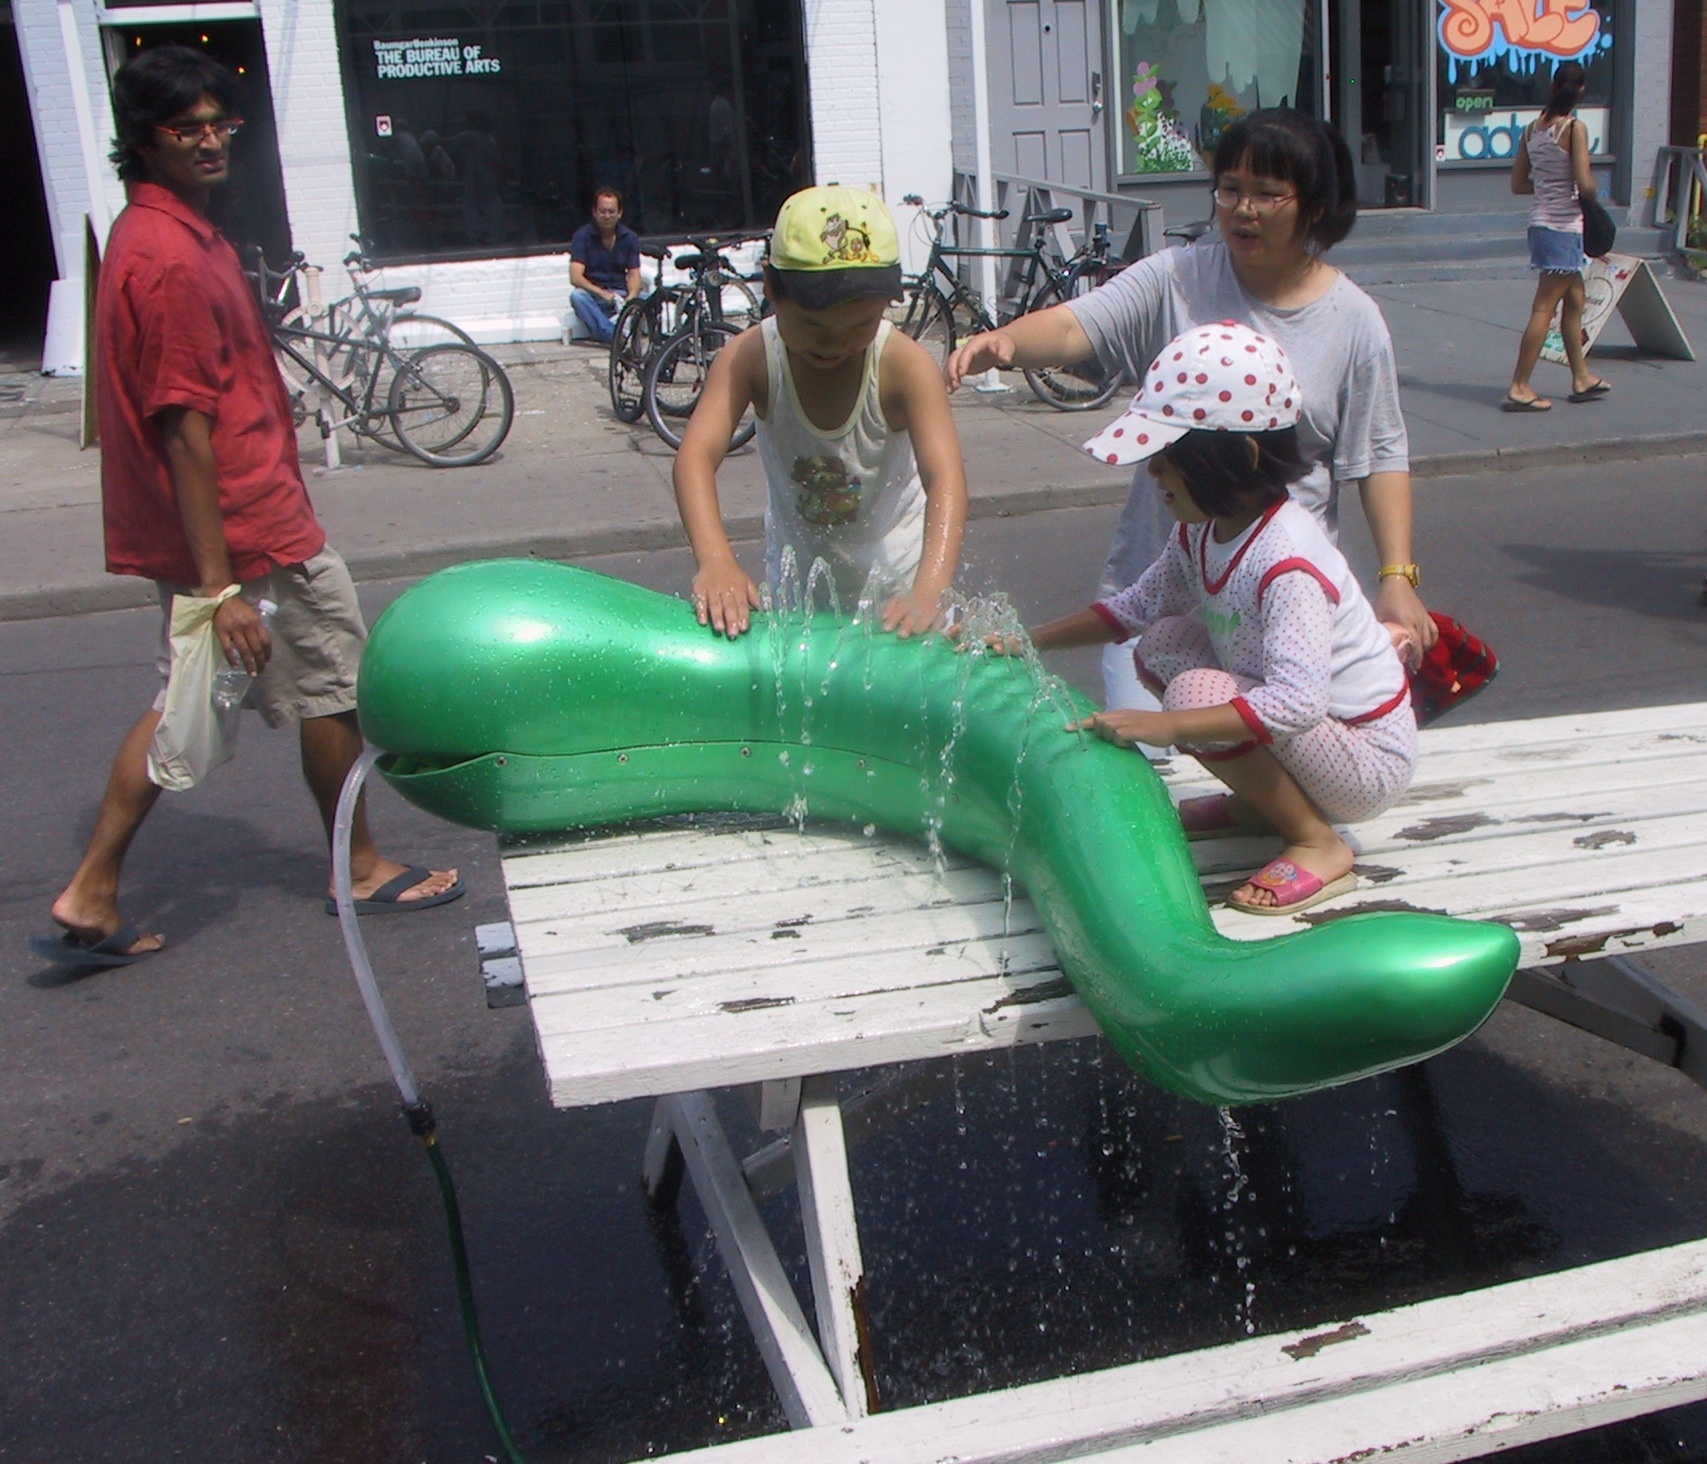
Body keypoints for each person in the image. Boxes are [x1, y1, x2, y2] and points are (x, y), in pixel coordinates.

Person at [30, 46, 461, 971]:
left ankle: (93, 888)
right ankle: (358, 866)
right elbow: (183, 428)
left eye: (219, 122)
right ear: (145, 139)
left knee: (187, 702)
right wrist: (220, 587)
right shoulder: (168, 258)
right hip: (250, 533)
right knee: (330, 687)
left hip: (232, 529)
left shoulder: (167, 235)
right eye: (186, 128)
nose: (211, 141)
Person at [947, 108, 1434, 714]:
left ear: (1314, 206)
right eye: (1229, 189)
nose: (1243, 210)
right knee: (1151, 745)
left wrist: (1397, 576)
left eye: (1267, 194)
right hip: (1156, 593)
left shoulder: (1353, 322)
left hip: (1275, 611)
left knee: (1255, 750)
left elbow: (1379, 454)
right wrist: (1009, 342)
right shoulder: (1176, 278)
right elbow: (1078, 325)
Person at [1001, 324, 1415, 916]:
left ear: (1240, 457)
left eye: (1169, 458)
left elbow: (1298, 704)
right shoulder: (1203, 531)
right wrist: (1026, 640)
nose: (1154, 473)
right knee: (1163, 641)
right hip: (1316, 737)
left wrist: (1168, 726)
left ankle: (1316, 841)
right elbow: (1136, 608)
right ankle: (1263, 804)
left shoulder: (1287, 561)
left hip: (1365, 758)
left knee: (1194, 693)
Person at [674, 184, 968, 638]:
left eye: (860, 325)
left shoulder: (904, 367)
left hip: (902, 596)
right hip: (799, 599)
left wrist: (931, 586)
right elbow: (695, 457)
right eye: (812, 325)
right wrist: (715, 560)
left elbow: (945, 476)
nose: (835, 343)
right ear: (771, 289)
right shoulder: (751, 359)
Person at [1504, 62, 1610, 412]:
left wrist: (1547, 185)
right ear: (1581, 91)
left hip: (1541, 224)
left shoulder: (1531, 130)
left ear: (1553, 88)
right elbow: (1585, 184)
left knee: (1576, 299)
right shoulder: (1574, 128)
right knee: (1544, 307)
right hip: (1563, 228)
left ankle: (1581, 376)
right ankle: (1520, 386)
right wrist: (1589, 191)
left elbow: (1518, 184)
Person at [568, 187, 641, 344]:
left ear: (619, 213)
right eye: (602, 211)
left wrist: (632, 296)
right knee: (577, 297)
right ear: (594, 212)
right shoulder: (582, 237)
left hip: (620, 295)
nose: (607, 216)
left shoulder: (630, 238)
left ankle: (614, 332)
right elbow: (575, 277)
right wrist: (602, 294)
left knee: (648, 298)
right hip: (595, 297)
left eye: (611, 211)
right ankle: (614, 335)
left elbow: (634, 273)